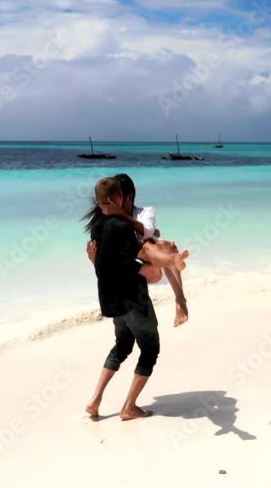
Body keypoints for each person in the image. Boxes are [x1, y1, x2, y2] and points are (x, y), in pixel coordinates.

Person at [84, 177, 158, 420]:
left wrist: (96, 262)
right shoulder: (124, 228)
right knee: (150, 349)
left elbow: (105, 267)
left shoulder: (97, 227)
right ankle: (129, 407)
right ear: (119, 198)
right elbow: (129, 266)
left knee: (122, 346)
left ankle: (95, 400)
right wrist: (152, 266)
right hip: (134, 300)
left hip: (113, 302)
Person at [84, 173, 190, 327]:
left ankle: (180, 300)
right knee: (148, 245)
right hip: (128, 272)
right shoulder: (108, 222)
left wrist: (122, 215)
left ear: (127, 197)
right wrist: (94, 260)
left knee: (165, 246)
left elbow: (147, 231)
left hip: (151, 269)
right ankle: (171, 260)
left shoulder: (145, 212)